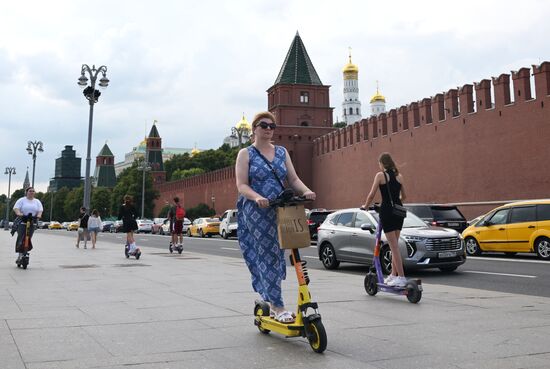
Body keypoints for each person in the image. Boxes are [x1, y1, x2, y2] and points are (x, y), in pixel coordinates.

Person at [235, 111, 316, 324]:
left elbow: (294, 179)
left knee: (280, 256)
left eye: (272, 126)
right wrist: (257, 197)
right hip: (257, 210)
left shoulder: (281, 152)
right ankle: (278, 306)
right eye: (264, 125)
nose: (269, 129)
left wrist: (307, 191)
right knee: (269, 255)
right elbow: (242, 185)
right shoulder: (246, 153)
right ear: (254, 128)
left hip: (282, 208)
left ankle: (271, 301)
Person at [362, 152, 408, 287]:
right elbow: (404, 196)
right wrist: (396, 202)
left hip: (387, 211)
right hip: (399, 212)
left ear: (382, 163)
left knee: (393, 247)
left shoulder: (380, 175)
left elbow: (371, 195)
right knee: (395, 246)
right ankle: (393, 275)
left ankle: (402, 277)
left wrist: (365, 207)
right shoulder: (400, 176)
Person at [12, 187, 43, 262]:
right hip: (22, 221)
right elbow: (16, 208)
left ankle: (25, 251)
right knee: (21, 237)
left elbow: (40, 210)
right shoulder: (22, 200)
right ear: (26, 192)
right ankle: (20, 254)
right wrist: (19, 213)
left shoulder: (37, 201)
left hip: (32, 220)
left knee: (28, 237)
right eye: (30, 191)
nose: (31, 192)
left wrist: (39, 215)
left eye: (33, 191)